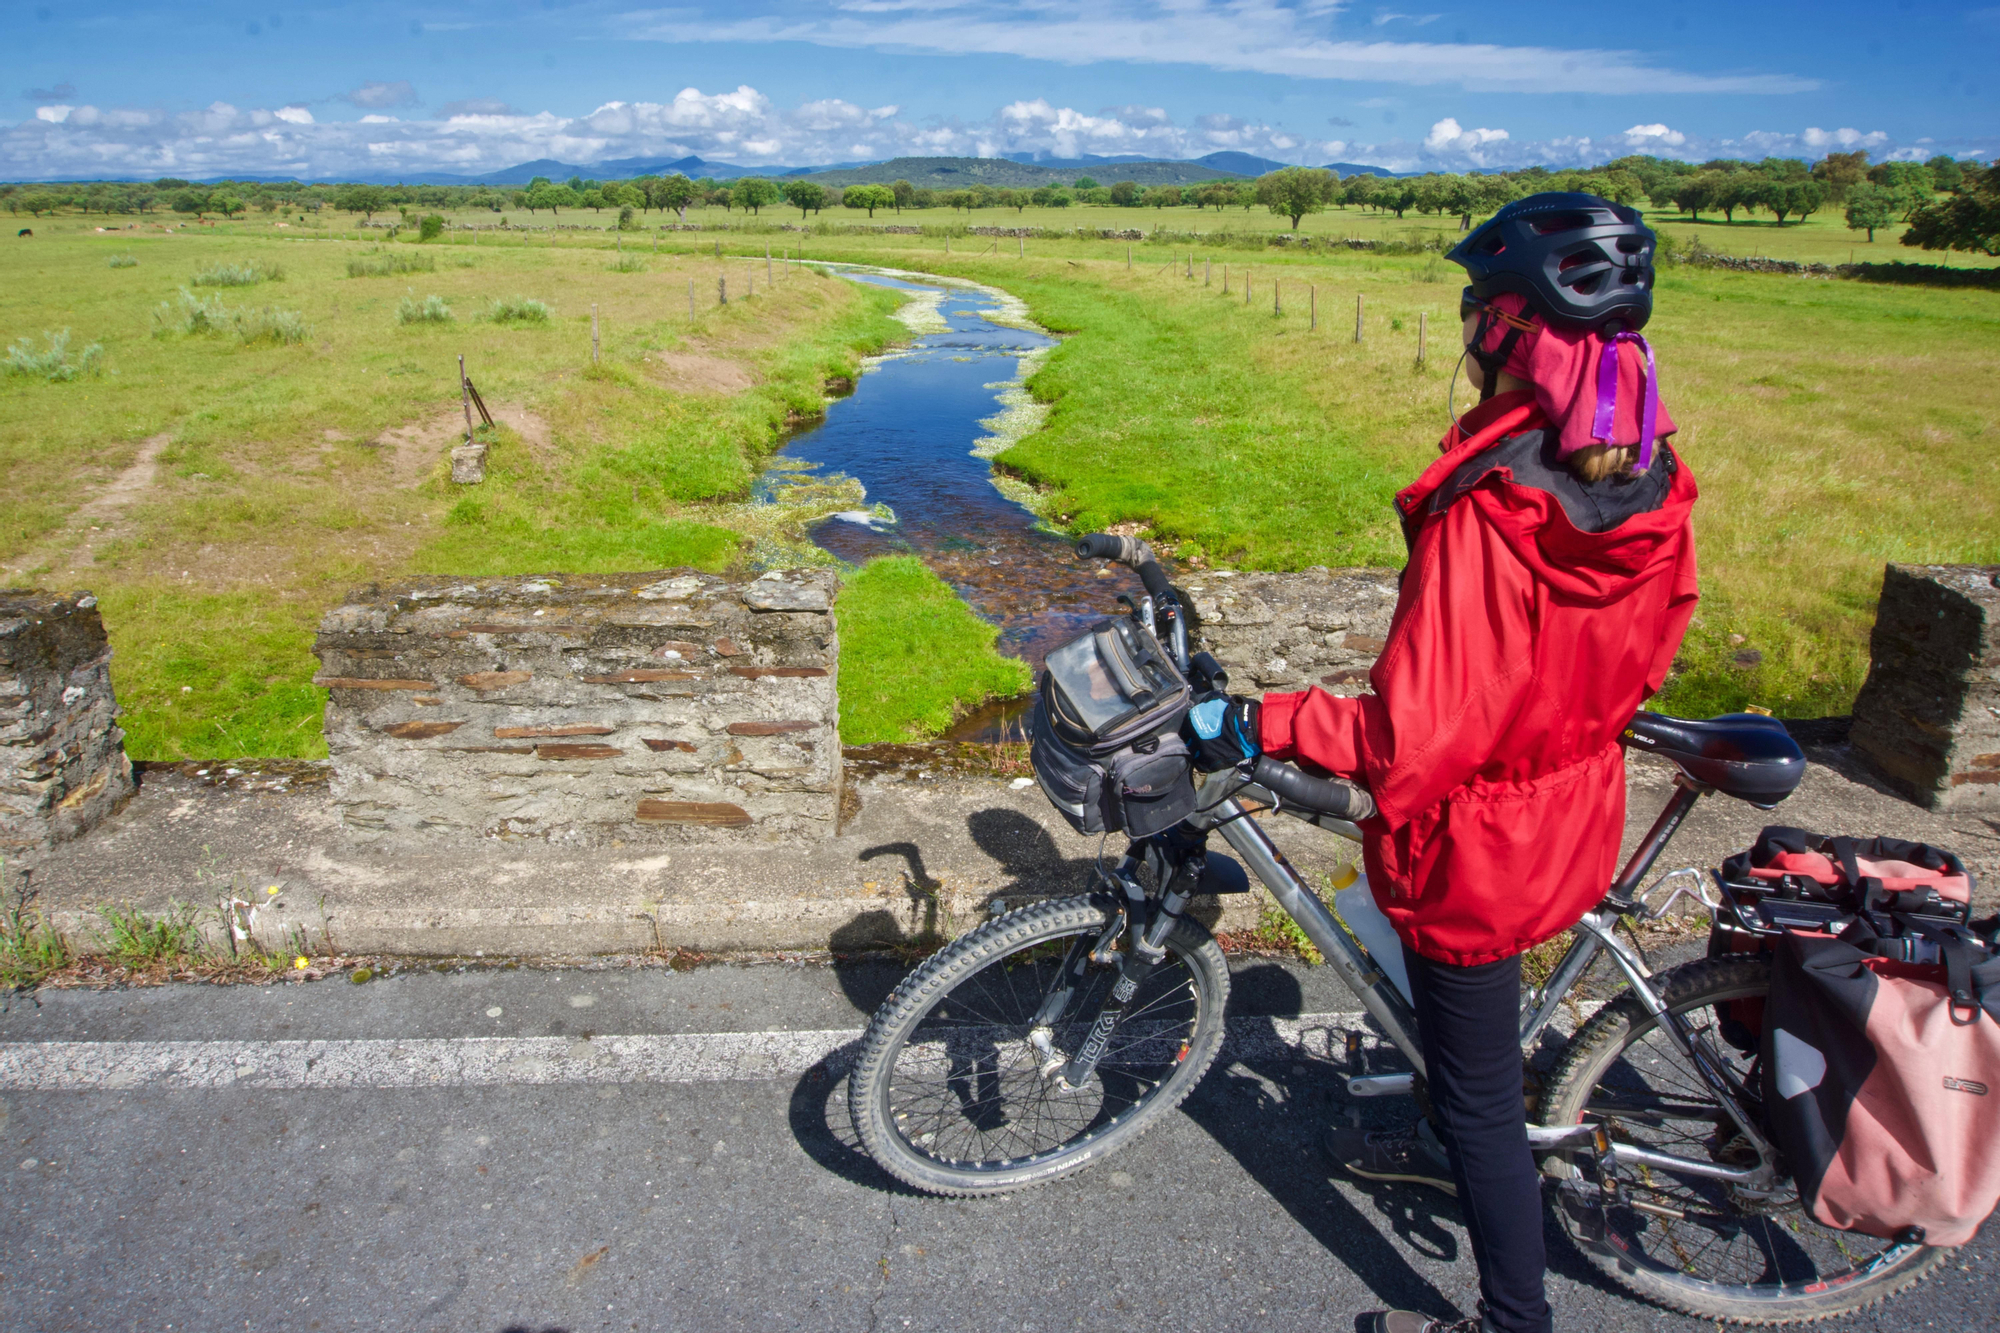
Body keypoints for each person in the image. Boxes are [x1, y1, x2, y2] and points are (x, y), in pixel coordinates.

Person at [1211, 194, 1699, 1333]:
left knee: (1482, 1103)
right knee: (1468, 1062)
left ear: (1510, 327)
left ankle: (1512, 1317)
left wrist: (1261, 719)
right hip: (1572, 803)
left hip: (1475, 846)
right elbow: (1657, 637)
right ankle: (1441, 1142)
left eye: (1475, 308)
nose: (1466, 328)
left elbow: (1411, 744)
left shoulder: (1491, 503)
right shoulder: (1651, 478)